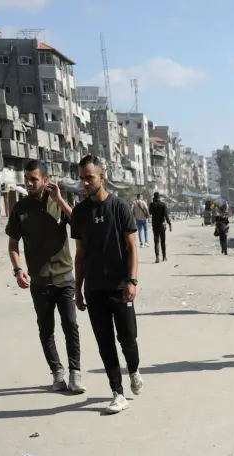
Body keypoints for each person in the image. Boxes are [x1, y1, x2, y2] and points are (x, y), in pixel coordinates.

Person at [7, 160, 86, 394]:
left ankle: (75, 373)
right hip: (39, 281)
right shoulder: (19, 210)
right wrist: (18, 269)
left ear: (45, 179)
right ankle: (57, 373)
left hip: (64, 278)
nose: (30, 183)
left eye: (34, 179)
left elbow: (79, 225)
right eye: (27, 179)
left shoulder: (58, 203)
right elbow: (13, 244)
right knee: (46, 329)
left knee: (70, 325)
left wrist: (60, 200)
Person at [71, 156, 142, 415]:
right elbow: (79, 255)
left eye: (89, 177)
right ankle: (117, 392)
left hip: (121, 286)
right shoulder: (79, 213)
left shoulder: (120, 207)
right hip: (94, 288)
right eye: (82, 178)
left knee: (128, 339)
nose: (85, 182)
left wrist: (132, 281)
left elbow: (132, 246)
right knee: (105, 343)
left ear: (102, 176)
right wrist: (78, 289)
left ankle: (134, 370)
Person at [149, 192, 172, 264]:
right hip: (162, 225)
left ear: (154, 197)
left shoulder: (152, 205)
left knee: (156, 242)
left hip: (155, 225)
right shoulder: (163, 205)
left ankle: (157, 257)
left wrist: (153, 203)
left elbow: (150, 212)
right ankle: (164, 256)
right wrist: (169, 224)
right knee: (163, 241)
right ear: (159, 197)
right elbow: (166, 216)